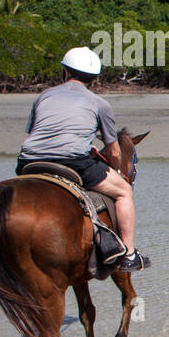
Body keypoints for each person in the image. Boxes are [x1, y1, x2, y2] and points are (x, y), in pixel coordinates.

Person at [16, 46, 149, 272]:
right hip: (73, 162)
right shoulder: (100, 104)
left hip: (28, 161)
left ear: (65, 72)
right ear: (94, 79)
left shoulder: (43, 97)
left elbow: (35, 133)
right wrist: (115, 170)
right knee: (124, 191)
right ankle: (128, 253)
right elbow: (114, 152)